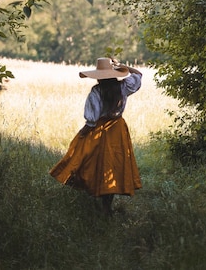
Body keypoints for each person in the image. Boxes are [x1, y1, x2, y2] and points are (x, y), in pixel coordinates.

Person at [49, 57, 142, 215]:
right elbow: (138, 75)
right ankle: (107, 206)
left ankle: (97, 198)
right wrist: (122, 66)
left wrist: (83, 133)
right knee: (113, 165)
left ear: (99, 76)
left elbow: (91, 120)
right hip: (117, 129)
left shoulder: (96, 92)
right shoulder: (123, 86)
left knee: (90, 161)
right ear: (113, 74)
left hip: (99, 129)